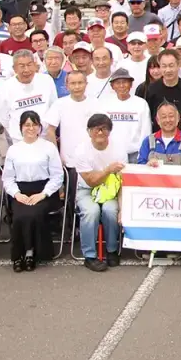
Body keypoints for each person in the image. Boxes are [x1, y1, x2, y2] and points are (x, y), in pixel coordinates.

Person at [2, 111, 65, 272]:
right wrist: (17, 194)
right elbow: (7, 178)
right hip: (21, 191)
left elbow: (57, 176)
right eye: (27, 125)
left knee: (34, 214)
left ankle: (31, 252)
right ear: (21, 127)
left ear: (39, 127)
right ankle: (18, 255)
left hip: (45, 191)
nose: (31, 128)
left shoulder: (49, 147)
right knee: (19, 216)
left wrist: (43, 194)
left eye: (34, 124)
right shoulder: (13, 149)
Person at [75, 113, 126, 272]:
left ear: (109, 131)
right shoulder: (81, 150)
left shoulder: (119, 149)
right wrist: (108, 170)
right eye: (95, 129)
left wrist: (122, 208)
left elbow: (122, 181)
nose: (99, 132)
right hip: (86, 189)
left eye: (104, 129)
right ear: (89, 131)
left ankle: (112, 250)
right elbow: (91, 181)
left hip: (110, 189)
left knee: (111, 211)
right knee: (91, 212)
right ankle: (90, 256)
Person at [137, 101, 181, 166]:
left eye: (171, 116)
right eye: (164, 117)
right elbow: (140, 166)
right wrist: (148, 165)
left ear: (178, 118)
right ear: (157, 120)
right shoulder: (148, 141)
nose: (168, 120)